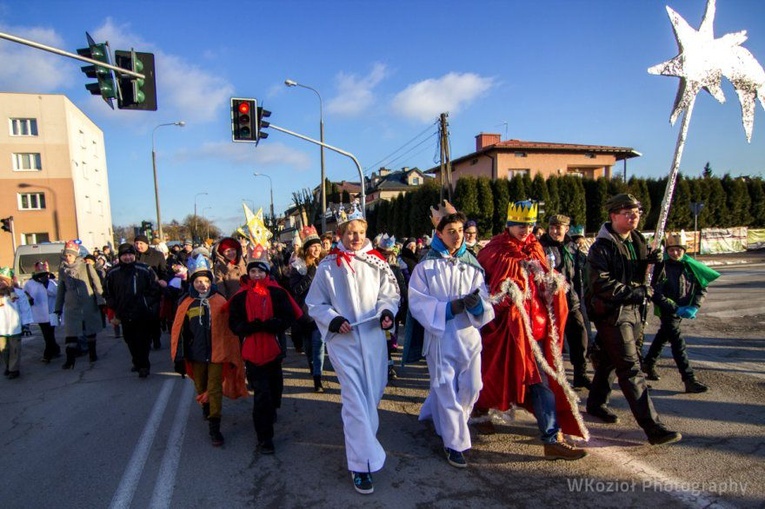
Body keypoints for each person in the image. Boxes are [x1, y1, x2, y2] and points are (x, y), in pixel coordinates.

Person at [474, 200, 588, 460]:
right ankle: (548, 436)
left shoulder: (536, 249)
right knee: (501, 375)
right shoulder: (495, 251)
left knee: (537, 380)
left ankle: (549, 436)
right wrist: (506, 294)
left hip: (536, 331)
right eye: (518, 225)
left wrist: (553, 284)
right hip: (508, 332)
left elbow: (545, 285)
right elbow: (487, 292)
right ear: (508, 224)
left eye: (528, 224)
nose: (524, 229)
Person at [305, 205, 400, 495]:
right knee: (356, 402)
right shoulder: (327, 266)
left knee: (371, 397)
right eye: (350, 233)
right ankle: (361, 465)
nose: (355, 238)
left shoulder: (378, 263)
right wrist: (333, 320)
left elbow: (391, 294)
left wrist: (386, 312)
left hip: (372, 340)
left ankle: (364, 445)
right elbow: (315, 304)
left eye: (360, 233)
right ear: (340, 234)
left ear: (366, 233)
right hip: (344, 343)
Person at [585, 193, 681, 446]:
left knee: (607, 361)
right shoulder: (601, 247)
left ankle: (595, 404)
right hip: (614, 313)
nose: (633, 216)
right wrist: (634, 292)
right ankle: (653, 427)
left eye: (636, 212)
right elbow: (600, 284)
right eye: (627, 212)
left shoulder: (638, 241)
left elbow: (647, 279)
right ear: (613, 216)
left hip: (635, 311)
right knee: (631, 368)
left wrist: (655, 264)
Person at [408, 202, 494, 468]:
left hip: (468, 337)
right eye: (451, 231)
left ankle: (445, 419)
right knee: (446, 389)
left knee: (472, 387)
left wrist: (478, 306)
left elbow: (487, 301)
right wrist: (448, 308)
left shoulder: (472, 266)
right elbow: (417, 301)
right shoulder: (426, 266)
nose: (457, 236)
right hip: (440, 336)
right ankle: (454, 443)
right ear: (439, 233)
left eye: (460, 230)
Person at [171, 255, 248, 446]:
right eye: (198, 281)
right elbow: (179, 331)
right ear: (192, 282)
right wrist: (180, 356)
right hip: (195, 353)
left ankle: (215, 427)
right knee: (201, 385)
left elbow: (228, 330)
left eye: (206, 281)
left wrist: (232, 351)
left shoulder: (219, 301)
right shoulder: (186, 303)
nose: (203, 285)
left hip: (217, 352)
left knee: (214, 388)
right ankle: (205, 406)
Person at [228, 257, 301, 455]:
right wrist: (249, 327)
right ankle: (264, 439)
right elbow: (233, 322)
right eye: (253, 272)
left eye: (260, 272)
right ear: (248, 274)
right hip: (252, 353)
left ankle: (273, 408)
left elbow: (288, 317)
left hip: (273, 349)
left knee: (275, 388)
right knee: (261, 396)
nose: (257, 275)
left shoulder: (277, 292)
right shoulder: (241, 296)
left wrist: (273, 324)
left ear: (266, 273)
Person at [644, 231, 720, 393]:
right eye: (671, 250)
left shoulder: (690, 267)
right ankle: (689, 379)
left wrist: (695, 306)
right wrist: (674, 308)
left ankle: (648, 363)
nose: (675, 253)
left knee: (662, 336)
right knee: (678, 344)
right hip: (668, 310)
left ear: (684, 250)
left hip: (683, 310)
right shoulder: (661, 267)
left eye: (678, 249)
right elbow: (654, 292)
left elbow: (702, 287)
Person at [539, 214, 592, 389]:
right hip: (550, 303)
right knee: (553, 341)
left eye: (558, 228)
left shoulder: (572, 247)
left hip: (572, 300)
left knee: (580, 336)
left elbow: (581, 274)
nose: (554, 231)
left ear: (566, 229)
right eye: (552, 227)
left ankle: (580, 374)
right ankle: (553, 377)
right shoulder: (542, 247)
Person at [103, 243, 162, 378]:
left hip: (142, 311)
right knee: (130, 339)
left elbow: (154, 288)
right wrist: (114, 305)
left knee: (143, 339)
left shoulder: (144, 269)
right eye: (125, 255)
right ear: (120, 257)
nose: (128, 257)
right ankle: (136, 361)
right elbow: (107, 292)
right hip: (124, 311)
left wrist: (146, 303)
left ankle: (144, 365)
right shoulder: (113, 272)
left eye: (130, 254)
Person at [55, 240, 105, 369]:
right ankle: (70, 360)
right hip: (71, 306)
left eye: (70, 255)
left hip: (88, 303)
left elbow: (97, 284)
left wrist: (101, 301)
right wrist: (57, 308)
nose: (68, 258)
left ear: (75, 255)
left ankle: (92, 354)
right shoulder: (63, 270)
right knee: (70, 333)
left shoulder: (86, 266)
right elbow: (61, 289)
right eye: (66, 255)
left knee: (90, 330)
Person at [288, 226, 327, 392]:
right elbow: (295, 290)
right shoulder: (298, 266)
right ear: (306, 248)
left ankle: (318, 378)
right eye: (313, 246)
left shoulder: (326, 263)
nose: (316, 249)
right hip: (305, 314)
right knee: (309, 347)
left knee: (319, 346)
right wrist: (310, 274)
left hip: (323, 312)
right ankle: (313, 368)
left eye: (318, 245)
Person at [23, 261, 61, 363]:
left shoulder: (52, 282)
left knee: (50, 333)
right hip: (39, 313)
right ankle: (54, 350)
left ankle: (49, 353)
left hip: (51, 312)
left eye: (45, 274)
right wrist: (28, 299)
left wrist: (46, 285)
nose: (42, 277)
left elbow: (55, 293)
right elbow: (24, 294)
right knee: (47, 334)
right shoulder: (30, 283)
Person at [134, 235, 167, 349]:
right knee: (141, 319)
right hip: (137, 292)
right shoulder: (133, 256)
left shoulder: (157, 255)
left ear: (147, 243)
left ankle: (156, 338)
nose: (139, 246)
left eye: (141, 243)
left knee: (153, 318)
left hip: (153, 292)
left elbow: (164, 271)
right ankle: (145, 341)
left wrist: (163, 280)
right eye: (136, 243)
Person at [0, 267, 33, 379]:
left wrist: (26, 325)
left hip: (15, 327)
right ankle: (8, 366)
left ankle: (14, 370)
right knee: (4, 350)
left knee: (15, 349)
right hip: (1, 329)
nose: (0, 283)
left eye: (2, 280)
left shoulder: (18, 294)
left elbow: (25, 309)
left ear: (9, 281)